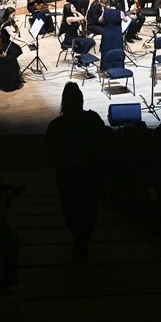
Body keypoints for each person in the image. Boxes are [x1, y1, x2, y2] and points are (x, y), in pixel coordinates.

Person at [46, 82, 109, 262]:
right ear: (81, 100)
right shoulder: (93, 119)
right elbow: (104, 145)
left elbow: (51, 157)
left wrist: (72, 162)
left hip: (66, 176)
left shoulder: (56, 126)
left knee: (70, 211)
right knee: (89, 210)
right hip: (89, 174)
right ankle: (82, 243)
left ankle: (80, 243)